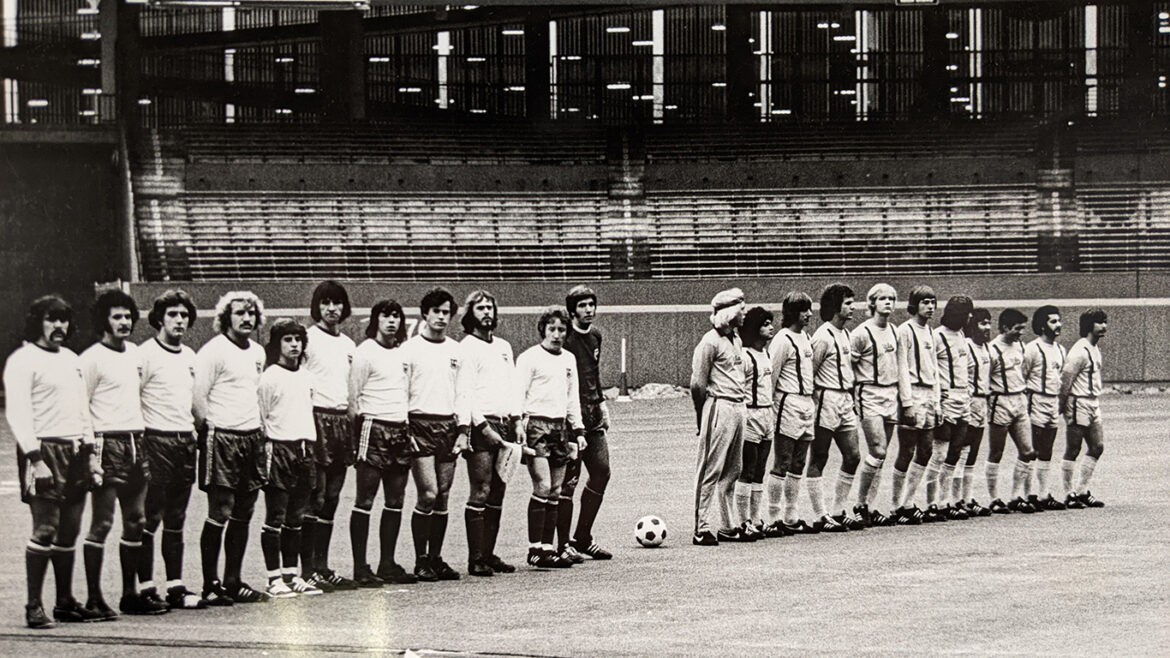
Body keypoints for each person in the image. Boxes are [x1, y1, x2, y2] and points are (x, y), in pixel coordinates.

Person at [4, 295, 103, 628]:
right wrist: (35, 458)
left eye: (63, 319)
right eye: (51, 319)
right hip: (43, 452)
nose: (59, 326)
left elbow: (82, 410)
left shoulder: (72, 359)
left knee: (69, 532)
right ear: (38, 322)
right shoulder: (22, 360)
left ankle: (65, 601)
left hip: (74, 450)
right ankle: (33, 605)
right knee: (45, 529)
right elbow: (17, 414)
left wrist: (90, 453)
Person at [79, 289, 169, 617]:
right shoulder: (90, 359)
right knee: (102, 523)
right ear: (104, 320)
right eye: (117, 316)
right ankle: (93, 597)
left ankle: (130, 594)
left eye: (128, 316)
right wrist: (90, 453)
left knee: (137, 520)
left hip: (136, 441)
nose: (124, 322)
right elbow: (81, 407)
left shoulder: (135, 354)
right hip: (106, 443)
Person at [193, 291, 271, 604]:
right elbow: (198, 397)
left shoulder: (258, 352)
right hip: (222, 436)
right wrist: (209, 429)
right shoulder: (213, 351)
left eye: (251, 313)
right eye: (240, 312)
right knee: (220, 510)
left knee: (245, 510)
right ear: (227, 317)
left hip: (251, 437)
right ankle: (210, 584)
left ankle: (233, 580)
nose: (247, 318)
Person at [137, 289, 208, 610]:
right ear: (159, 319)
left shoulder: (192, 356)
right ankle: (145, 585)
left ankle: (175, 585)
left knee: (177, 516)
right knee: (150, 516)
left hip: (184, 442)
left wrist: (200, 430)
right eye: (173, 315)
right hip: (155, 441)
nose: (179, 321)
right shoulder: (145, 354)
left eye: (184, 316)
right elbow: (133, 400)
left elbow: (197, 406)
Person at [347, 299, 419, 587]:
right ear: (375, 320)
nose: (391, 321)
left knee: (395, 500)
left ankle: (387, 563)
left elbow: (405, 393)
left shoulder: (403, 354)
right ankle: (360, 566)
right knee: (365, 499)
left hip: (399, 429)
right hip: (373, 427)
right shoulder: (364, 352)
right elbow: (353, 398)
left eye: (396, 317)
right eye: (385, 316)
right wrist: (356, 438)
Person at [401, 287, 471, 581]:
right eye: (436, 312)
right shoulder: (409, 349)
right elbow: (401, 392)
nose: (441, 317)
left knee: (443, 496)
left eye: (446, 313)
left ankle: (436, 558)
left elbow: (463, 393)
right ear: (425, 314)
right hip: (419, 425)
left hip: (448, 427)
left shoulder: (456, 350)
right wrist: (405, 428)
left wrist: (463, 430)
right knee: (427, 494)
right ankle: (420, 560)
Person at [459, 290, 524, 575]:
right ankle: (475, 559)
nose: (486, 312)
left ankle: (489, 553)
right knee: (481, 489)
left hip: (505, 424)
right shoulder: (467, 347)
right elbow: (465, 392)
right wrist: (481, 426)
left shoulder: (504, 347)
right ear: (470, 313)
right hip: (480, 425)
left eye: (490, 308)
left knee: (498, 490)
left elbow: (512, 387)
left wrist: (517, 420)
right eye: (480, 308)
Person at [257, 320, 323, 598]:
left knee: (296, 516)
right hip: (279, 449)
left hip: (304, 450)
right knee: (276, 514)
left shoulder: (307, 377)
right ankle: (274, 579)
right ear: (277, 344)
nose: (294, 344)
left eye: (298, 339)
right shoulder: (270, 377)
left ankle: (290, 574)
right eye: (287, 340)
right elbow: (261, 417)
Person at [516, 307, 585, 568]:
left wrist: (577, 430)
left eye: (561, 330)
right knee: (542, 486)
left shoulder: (568, 359)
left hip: (560, 428)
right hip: (536, 425)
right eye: (552, 329)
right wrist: (519, 423)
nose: (556, 334)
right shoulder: (529, 358)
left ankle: (547, 548)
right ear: (543, 330)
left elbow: (571, 397)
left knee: (556, 490)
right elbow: (518, 392)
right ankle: (534, 549)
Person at [301, 281, 359, 592]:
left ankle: (322, 566)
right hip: (315, 420)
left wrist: (352, 421)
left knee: (333, 498)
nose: (331, 309)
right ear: (317, 307)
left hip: (341, 423)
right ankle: (306, 568)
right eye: (325, 303)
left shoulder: (349, 345)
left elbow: (350, 393)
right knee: (316, 495)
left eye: (336, 303)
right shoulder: (307, 340)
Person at [767, 291, 835, 535]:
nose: (808, 314)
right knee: (783, 460)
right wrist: (770, 409)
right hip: (787, 402)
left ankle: (791, 515)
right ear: (791, 313)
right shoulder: (782, 340)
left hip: (806, 403)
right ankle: (773, 516)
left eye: (809, 309)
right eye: (803, 310)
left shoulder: (806, 337)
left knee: (799, 460)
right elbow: (771, 376)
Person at [559, 285, 614, 561]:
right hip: (571, 417)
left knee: (602, 471)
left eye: (591, 304)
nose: (588, 310)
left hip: (593, 413)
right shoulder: (564, 338)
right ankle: (561, 544)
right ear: (571, 311)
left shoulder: (595, 336)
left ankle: (583, 537)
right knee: (568, 481)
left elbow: (594, 373)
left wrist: (602, 405)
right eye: (582, 305)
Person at [690, 288, 747, 546]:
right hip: (719, 405)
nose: (744, 313)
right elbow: (697, 384)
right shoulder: (709, 342)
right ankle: (701, 527)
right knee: (710, 469)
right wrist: (701, 415)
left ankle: (727, 524)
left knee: (734, 469)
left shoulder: (736, 340)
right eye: (740, 308)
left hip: (738, 405)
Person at [809, 284, 865, 531]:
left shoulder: (846, 334)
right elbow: (808, 374)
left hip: (845, 400)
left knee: (853, 456)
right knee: (819, 456)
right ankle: (821, 515)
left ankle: (838, 511)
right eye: (848, 303)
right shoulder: (822, 337)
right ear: (835, 306)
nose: (853, 307)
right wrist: (814, 404)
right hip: (826, 400)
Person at [849, 284, 900, 527]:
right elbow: (849, 367)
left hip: (891, 394)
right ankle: (859, 503)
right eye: (882, 299)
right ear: (872, 304)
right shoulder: (860, 333)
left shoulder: (894, 331)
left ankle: (871, 505)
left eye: (891, 298)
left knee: (881, 454)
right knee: (877, 450)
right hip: (869, 392)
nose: (888, 303)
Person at [890, 285, 942, 524]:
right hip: (912, 394)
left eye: (932, 302)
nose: (930, 307)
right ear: (914, 305)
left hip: (929, 395)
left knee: (926, 450)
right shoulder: (905, 331)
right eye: (925, 302)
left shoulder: (931, 332)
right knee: (907, 450)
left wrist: (938, 402)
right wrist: (907, 403)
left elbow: (935, 369)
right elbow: (901, 367)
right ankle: (896, 505)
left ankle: (909, 502)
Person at [985, 308, 1038, 514]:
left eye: (1023, 329)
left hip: (1019, 400)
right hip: (1000, 401)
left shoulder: (1020, 347)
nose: (1020, 333)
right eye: (1017, 329)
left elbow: (1023, 372)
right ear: (1005, 327)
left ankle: (1016, 496)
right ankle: (994, 498)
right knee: (996, 452)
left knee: (1028, 451)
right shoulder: (992, 350)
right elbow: (985, 378)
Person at [929, 296, 974, 521]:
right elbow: (932, 370)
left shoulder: (962, 336)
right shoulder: (937, 336)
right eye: (966, 312)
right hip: (946, 399)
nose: (970, 317)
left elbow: (967, 367)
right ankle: (932, 503)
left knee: (956, 451)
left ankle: (945, 500)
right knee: (940, 453)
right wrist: (938, 398)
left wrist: (969, 392)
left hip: (963, 399)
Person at [1058, 309, 1108, 509]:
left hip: (1092, 401)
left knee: (1097, 447)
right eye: (1099, 322)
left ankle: (1082, 490)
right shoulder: (1079, 350)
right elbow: (1066, 380)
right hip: (1078, 402)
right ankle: (1068, 493)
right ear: (1089, 325)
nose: (1103, 326)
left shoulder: (1095, 349)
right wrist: (1061, 406)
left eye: (1104, 322)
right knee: (1074, 448)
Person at [1023, 305, 1068, 511]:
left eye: (1059, 320)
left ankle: (1043, 493)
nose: (1058, 325)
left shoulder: (1060, 350)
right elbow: (1022, 376)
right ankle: (1028, 494)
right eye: (1053, 321)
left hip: (1052, 401)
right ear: (1042, 326)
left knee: (1048, 448)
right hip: (1036, 400)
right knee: (1033, 448)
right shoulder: (1032, 348)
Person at [949, 308, 993, 517]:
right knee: (961, 451)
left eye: (988, 323)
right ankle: (954, 499)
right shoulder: (966, 346)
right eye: (983, 323)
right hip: (969, 400)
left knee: (973, 453)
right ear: (972, 325)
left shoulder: (987, 349)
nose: (987, 328)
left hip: (982, 403)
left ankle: (967, 498)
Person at [735, 306, 774, 538]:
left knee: (760, 469)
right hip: (751, 415)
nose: (770, 327)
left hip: (767, 415)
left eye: (770, 323)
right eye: (765, 324)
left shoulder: (767, 354)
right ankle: (743, 521)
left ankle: (757, 518)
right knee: (747, 469)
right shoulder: (745, 356)